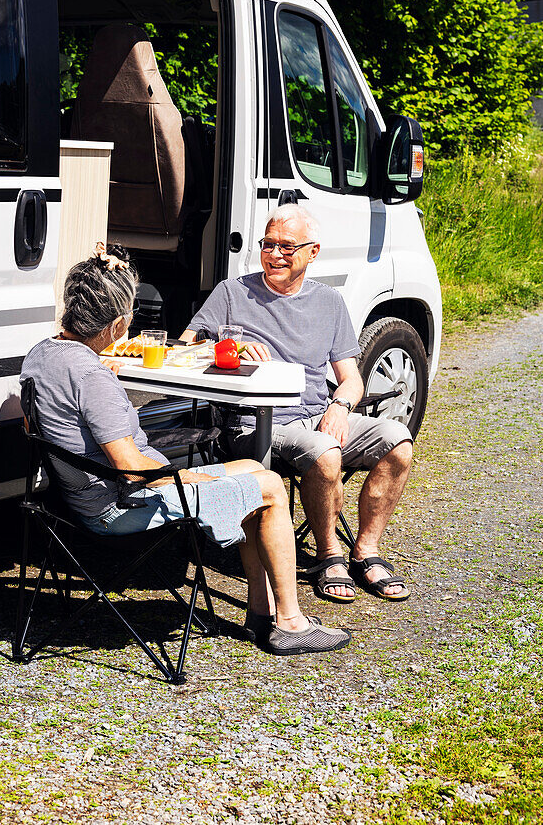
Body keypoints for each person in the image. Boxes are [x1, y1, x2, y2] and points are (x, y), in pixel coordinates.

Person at [20, 244, 350, 657]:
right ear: (117, 323)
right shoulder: (91, 376)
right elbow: (129, 468)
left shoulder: (44, 354)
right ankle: (289, 621)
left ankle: (261, 612)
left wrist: (99, 379)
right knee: (268, 487)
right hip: (119, 506)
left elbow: (46, 423)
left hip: (69, 499)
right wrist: (188, 476)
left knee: (249, 466)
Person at [181, 206, 414, 605]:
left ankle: (366, 550)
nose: (274, 255)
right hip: (255, 424)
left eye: (287, 247)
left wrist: (340, 406)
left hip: (316, 415)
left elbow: (351, 377)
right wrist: (229, 347)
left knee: (398, 442)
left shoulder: (328, 302)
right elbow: (185, 347)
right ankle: (328, 556)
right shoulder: (232, 293)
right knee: (325, 455)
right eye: (268, 245)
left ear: (313, 252)